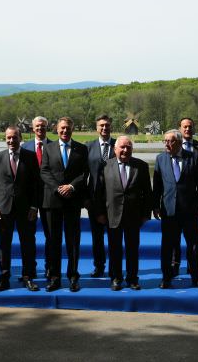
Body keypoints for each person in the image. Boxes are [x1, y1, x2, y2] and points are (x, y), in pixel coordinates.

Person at [95, 136, 152, 291]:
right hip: (112, 214)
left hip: (134, 216)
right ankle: (116, 278)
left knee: (133, 249)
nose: (125, 150)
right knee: (114, 249)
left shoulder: (141, 166)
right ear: (115, 149)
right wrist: (99, 213)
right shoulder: (105, 165)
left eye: (128, 147)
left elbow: (148, 193)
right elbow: (99, 192)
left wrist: (146, 214)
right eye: (122, 147)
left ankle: (133, 279)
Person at [153, 129, 198, 289]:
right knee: (167, 246)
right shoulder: (160, 159)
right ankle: (167, 277)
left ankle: (197, 277)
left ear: (178, 142)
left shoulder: (194, 157)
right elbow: (157, 186)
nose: (167, 144)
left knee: (193, 245)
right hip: (168, 210)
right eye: (165, 141)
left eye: (170, 141)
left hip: (190, 210)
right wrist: (155, 205)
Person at [39, 117, 89, 292]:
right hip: (52, 201)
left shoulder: (82, 149)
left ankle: (73, 277)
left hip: (73, 201)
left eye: (68, 128)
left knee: (73, 242)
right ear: (57, 129)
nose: (65, 131)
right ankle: (54, 278)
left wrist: (72, 186)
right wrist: (58, 188)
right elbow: (44, 171)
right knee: (53, 241)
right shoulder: (48, 148)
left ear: (72, 129)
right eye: (62, 128)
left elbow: (85, 173)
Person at [0, 126, 42, 292]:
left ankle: (28, 277)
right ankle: (4, 278)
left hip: (26, 209)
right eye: (8, 138)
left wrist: (34, 206)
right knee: (4, 246)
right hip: (4, 209)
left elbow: (36, 185)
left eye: (14, 137)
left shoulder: (31, 156)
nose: (11, 141)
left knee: (27, 244)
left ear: (20, 138)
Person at [171, 118, 198, 276]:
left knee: (193, 238)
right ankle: (174, 265)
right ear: (180, 128)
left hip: (192, 202)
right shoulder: (172, 145)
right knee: (174, 238)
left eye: (190, 127)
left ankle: (192, 267)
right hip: (173, 202)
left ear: (194, 128)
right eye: (185, 127)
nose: (187, 129)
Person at [21, 116, 53, 278]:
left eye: (43, 126)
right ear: (32, 128)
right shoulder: (24, 147)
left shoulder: (54, 146)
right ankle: (30, 269)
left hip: (49, 197)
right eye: (37, 126)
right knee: (28, 235)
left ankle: (49, 268)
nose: (40, 129)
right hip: (28, 199)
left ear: (47, 128)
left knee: (50, 235)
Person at [85, 114, 115, 278]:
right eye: (101, 125)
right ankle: (99, 266)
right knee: (97, 237)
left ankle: (114, 267)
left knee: (114, 237)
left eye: (107, 125)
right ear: (97, 128)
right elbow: (83, 175)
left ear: (111, 126)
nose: (104, 128)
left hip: (115, 201)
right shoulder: (88, 146)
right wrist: (86, 199)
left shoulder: (119, 145)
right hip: (94, 200)